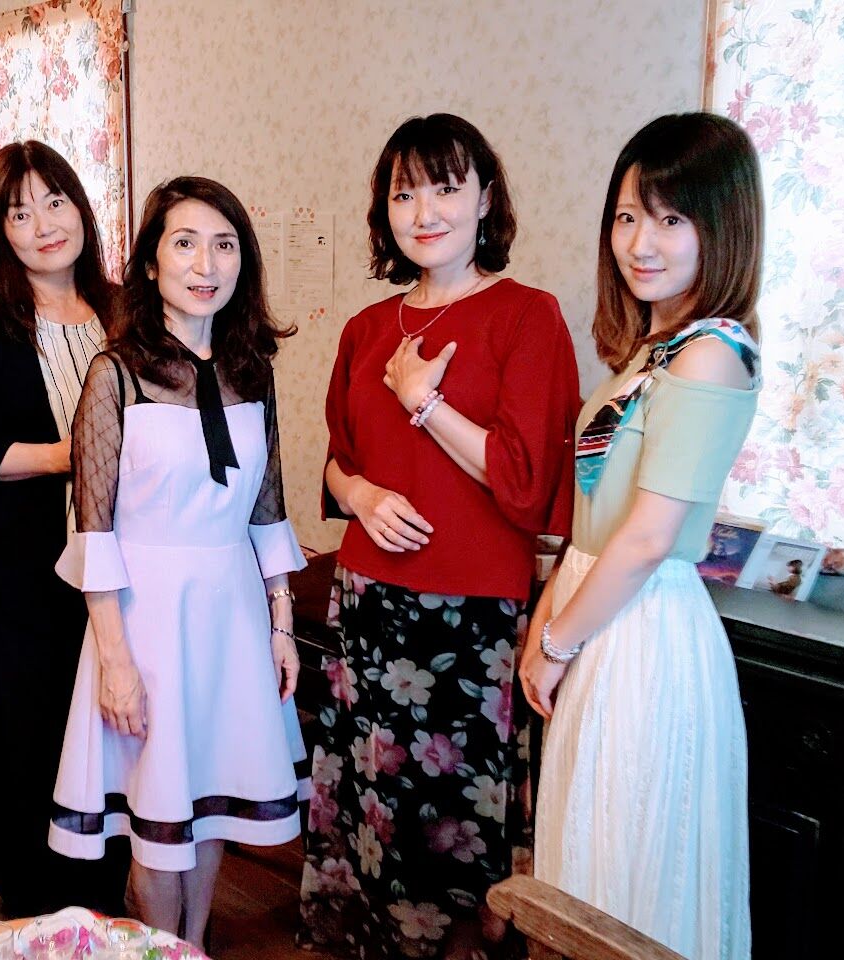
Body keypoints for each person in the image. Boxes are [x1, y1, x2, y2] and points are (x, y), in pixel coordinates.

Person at [302, 114, 580, 960]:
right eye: (404, 194)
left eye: (447, 189)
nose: (425, 213)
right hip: (366, 605)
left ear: (486, 198)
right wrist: (360, 492)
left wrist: (422, 400)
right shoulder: (364, 327)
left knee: (461, 820)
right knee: (371, 805)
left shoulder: (529, 317)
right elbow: (335, 467)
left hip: (474, 617)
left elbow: (526, 484)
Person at [521, 112, 764, 960]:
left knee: (629, 864)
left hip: (644, 629)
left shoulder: (712, 354)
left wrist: (556, 638)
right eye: (627, 216)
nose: (639, 243)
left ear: (721, 227)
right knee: (593, 850)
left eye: (670, 218)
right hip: (604, 613)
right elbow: (597, 521)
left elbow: (650, 536)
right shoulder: (657, 349)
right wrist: (549, 624)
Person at [48, 176, 305, 944]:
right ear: (152, 263)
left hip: (231, 615)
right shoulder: (115, 374)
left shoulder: (252, 371)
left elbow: (268, 509)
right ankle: (161, 950)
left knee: (212, 802)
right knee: (157, 820)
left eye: (223, 245)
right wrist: (115, 661)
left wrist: (281, 624)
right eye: (185, 243)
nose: (205, 263)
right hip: (145, 622)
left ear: (242, 262)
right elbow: (93, 531)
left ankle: (193, 945)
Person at [0, 140, 127, 916]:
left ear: (81, 209)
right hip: (26, 584)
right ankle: (40, 912)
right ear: (0, 231)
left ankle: (110, 905)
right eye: (20, 213)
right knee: (38, 745)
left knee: (114, 741)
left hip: (125, 573)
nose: (45, 224)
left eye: (56, 202)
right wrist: (73, 454)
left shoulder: (126, 312)